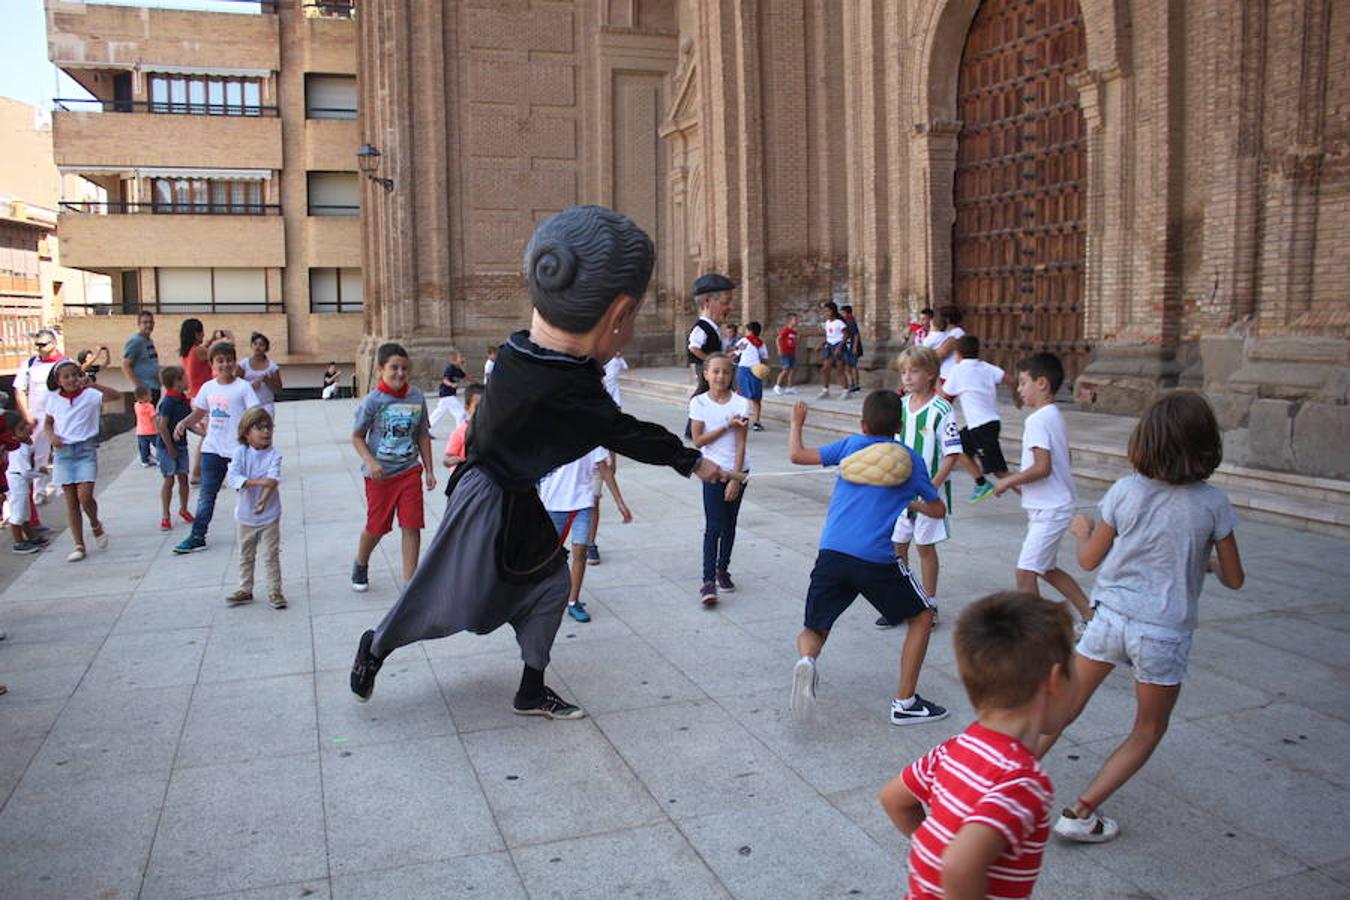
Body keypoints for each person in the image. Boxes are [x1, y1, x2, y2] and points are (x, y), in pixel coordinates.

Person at [349, 205, 726, 722]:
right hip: (485, 498)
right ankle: (374, 647)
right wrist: (693, 462)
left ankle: (531, 689)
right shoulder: (568, 388)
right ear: (619, 316)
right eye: (633, 318)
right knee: (446, 593)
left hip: (515, 494)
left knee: (548, 586)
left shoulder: (521, 349)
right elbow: (627, 432)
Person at [1038, 392, 1244, 844]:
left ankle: (1002, 787)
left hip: (1110, 618)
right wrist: (1203, 560)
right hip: (1164, 633)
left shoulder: (1126, 490)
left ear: (1145, 441)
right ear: (1208, 445)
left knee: (1062, 710)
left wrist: (1084, 531)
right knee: (1148, 728)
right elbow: (1234, 578)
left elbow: (1089, 561)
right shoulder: (1214, 504)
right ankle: (1081, 811)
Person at [880, 591, 1075, 899]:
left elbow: (894, 799)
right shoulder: (1024, 782)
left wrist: (932, 851)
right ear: (1054, 681)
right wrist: (948, 861)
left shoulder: (955, 748)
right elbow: (960, 866)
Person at [787, 393, 948, 724]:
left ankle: (807, 661)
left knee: (815, 626)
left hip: (831, 553)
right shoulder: (910, 461)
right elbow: (937, 508)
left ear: (862, 424)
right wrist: (911, 502)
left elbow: (797, 455)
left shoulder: (850, 446)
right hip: (874, 559)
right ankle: (905, 703)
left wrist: (795, 423)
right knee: (922, 616)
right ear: (900, 427)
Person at [994, 353, 1092, 623]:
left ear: (1042, 384)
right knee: (1046, 569)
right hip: (1050, 505)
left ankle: (1038, 633)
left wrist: (1008, 480)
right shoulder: (1053, 415)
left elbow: (1042, 467)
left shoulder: (1037, 420)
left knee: (1025, 572)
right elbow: (1059, 462)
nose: (1019, 389)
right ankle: (1091, 615)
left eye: (1023, 383)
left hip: (1051, 508)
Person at [879, 346, 961, 630]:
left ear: (931, 374)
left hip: (928, 495)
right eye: (903, 372)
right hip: (900, 492)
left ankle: (930, 603)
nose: (908, 377)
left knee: (925, 547)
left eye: (914, 371)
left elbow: (951, 454)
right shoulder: (899, 407)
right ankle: (902, 601)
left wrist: (932, 488)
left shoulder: (941, 409)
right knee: (897, 546)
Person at [349, 343, 437, 591]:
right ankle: (361, 562)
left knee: (412, 525)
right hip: (380, 476)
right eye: (394, 368)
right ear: (380, 370)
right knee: (377, 527)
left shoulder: (417, 397)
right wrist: (371, 461)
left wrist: (429, 470)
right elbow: (357, 436)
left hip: (409, 471)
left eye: (404, 368)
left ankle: (410, 583)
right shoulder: (373, 401)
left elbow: (422, 435)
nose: (400, 373)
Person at [172, 342, 262, 554]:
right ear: (212, 364)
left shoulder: (243, 387)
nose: (225, 364)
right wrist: (184, 423)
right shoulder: (208, 388)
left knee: (246, 492)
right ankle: (197, 535)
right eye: (220, 360)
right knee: (207, 494)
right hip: (212, 449)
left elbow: (255, 413)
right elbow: (200, 412)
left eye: (229, 359)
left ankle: (254, 529)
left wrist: (258, 440)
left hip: (239, 450)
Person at [539, 448, 632, 623]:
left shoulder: (591, 437)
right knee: (548, 557)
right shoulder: (549, 433)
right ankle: (544, 598)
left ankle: (573, 601)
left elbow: (604, 468)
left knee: (580, 552)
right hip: (553, 504)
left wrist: (619, 501)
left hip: (582, 503)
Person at [44, 360, 121, 562]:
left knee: (85, 497)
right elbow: (48, 423)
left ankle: (95, 523)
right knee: (71, 502)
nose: (71, 380)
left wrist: (93, 384)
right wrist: (51, 436)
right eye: (65, 376)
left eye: (74, 375)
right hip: (63, 452)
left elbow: (116, 395)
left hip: (85, 449)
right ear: (57, 380)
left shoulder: (90, 395)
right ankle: (79, 544)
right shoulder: (52, 399)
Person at [689, 353, 751, 606]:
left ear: (732, 375)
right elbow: (698, 440)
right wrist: (726, 425)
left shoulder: (741, 403)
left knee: (729, 524)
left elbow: (741, 443)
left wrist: (736, 479)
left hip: (737, 471)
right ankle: (707, 581)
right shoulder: (699, 403)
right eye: (715, 371)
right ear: (705, 374)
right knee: (713, 525)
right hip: (712, 472)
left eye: (725, 372)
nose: (720, 376)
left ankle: (722, 569)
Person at [225, 406, 285, 609]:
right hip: (245, 515)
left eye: (269, 427)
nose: (266, 432)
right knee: (246, 554)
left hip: (269, 514)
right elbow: (233, 477)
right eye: (260, 428)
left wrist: (263, 500)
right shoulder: (240, 452)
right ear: (246, 432)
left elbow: (273, 479)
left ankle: (275, 591)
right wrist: (258, 483)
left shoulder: (274, 455)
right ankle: (245, 588)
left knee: (271, 555)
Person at [941, 335, 1009, 503]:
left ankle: (1029, 494)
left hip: (982, 426)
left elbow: (945, 394)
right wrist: (1017, 398)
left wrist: (935, 379)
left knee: (999, 470)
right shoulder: (986, 367)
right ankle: (981, 483)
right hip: (986, 423)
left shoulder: (958, 370)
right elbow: (1008, 378)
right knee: (956, 447)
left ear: (958, 353)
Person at [12, 328, 66, 504]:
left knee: (61, 450)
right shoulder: (29, 365)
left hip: (60, 415)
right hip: (37, 417)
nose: (39, 348)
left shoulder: (64, 363)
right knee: (39, 455)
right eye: (37, 345)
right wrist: (27, 415)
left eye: (42, 344)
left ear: (53, 344)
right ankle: (40, 490)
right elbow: (19, 390)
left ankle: (61, 485)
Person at [155, 366, 197, 532]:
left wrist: (205, 433)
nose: (188, 380)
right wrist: (170, 447)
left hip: (181, 446)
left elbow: (188, 424)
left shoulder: (182, 400)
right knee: (169, 480)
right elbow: (163, 427)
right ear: (176, 382)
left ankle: (184, 509)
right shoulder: (168, 403)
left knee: (183, 478)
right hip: (167, 448)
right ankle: (165, 515)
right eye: (185, 377)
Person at [3, 412, 47, 555]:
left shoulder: (23, 446)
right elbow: (25, 471)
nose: (28, 429)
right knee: (18, 513)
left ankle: (30, 537)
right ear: (12, 435)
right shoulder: (17, 449)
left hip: (22, 483)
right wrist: (40, 473)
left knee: (25, 512)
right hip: (17, 483)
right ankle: (18, 542)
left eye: (25, 425)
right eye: (22, 428)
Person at [686, 272, 734, 387]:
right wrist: (711, 361)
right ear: (707, 301)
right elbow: (693, 348)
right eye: (725, 302)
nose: (731, 307)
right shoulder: (701, 328)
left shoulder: (715, 328)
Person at [179, 319, 212, 484]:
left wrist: (210, 341)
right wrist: (226, 338)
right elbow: (214, 354)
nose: (203, 335)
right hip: (203, 397)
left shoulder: (186, 351)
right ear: (196, 333)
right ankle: (198, 473)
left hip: (194, 396)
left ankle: (199, 472)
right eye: (201, 332)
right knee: (208, 435)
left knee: (207, 435)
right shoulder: (198, 351)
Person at [442, 383, 484, 476]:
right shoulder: (460, 432)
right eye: (477, 407)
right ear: (467, 408)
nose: (482, 411)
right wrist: (457, 460)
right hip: (463, 480)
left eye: (485, 406)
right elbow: (446, 459)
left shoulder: (491, 431)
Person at [733, 321, 768, 431]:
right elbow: (765, 358)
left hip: (743, 370)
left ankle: (742, 419)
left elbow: (735, 353)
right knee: (756, 398)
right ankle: (756, 422)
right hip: (756, 370)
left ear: (750, 331)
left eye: (747, 330)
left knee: (741, 396)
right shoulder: (761, 343)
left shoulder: (744, 341)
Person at [121, 310, 160, 402]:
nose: (148, 325)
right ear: (139, 324)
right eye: (145, 322)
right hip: (146, 389)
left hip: (154, 387)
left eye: (150, 322)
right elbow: (126, 365)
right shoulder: (136, 341)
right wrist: (140, 387)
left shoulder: (148, 340)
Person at [241, 332, 282, 418]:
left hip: (266, 405)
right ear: (251, 346)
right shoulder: (243, 364)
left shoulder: (272, 367)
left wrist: (268, 380)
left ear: (266, 348)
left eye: (261, 344)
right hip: (247, 405)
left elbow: (278, 389)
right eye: (255, 344)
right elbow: (235, 384)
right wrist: (250, 386)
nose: (258, 347)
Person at [922, 305, 966, 384]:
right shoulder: (946, 333)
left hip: (949, 375)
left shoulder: (957, 333)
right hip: (944, 374)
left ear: (947, 319)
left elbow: (941, 353)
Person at [428, 348, 467, 434]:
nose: (463, 359)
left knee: (438, 412)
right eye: (461, 357)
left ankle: (426, 428)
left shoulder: (458, 370)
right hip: (447, 394)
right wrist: (452, 384)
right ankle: (460, 432)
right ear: (454, 360)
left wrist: (478, 383)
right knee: (460, 412)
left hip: (447, 395)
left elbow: (466, 377)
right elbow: (445, 380)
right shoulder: (450, 368)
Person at [817, 301, 847, 399]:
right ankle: (825, 390)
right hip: (829, 346)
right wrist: (822, 343)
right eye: (824, 311)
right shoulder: (827, 323)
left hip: (838, 346)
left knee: (839, 370)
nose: (825, 313)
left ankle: (846, 390)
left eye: (827, 311)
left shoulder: (839, 323)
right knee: (825, 369)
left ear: (832, 311)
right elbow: (829, 336)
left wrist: (839, 347)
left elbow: (846, 335)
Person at [773, 313, 799, 395]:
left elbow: (795, 343)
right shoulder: (785, 330)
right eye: (795, 320)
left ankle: (790, 387)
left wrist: (799, 338)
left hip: (792, 353)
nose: (797, 321)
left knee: (792, 370)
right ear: (790, 321)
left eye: (797, 319)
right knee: (785, 369)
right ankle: (777, 386)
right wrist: (779, 349)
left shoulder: (794, 332)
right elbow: (778, 339)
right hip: (785, 353)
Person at [840, 303, 863, 394]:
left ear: (848, 313)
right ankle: (852, 383)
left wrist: (854, 347)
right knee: (848, 366)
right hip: (848, 346)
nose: (842, 315)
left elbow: (856, 335)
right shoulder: (846, 321)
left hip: (852, 346)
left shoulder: (851, 321)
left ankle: (856, 385)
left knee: (853, 366)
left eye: (843, 313)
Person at [133, 387, 158, 467]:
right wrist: (157, 429)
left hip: (140, 431)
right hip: (151, 430)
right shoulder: (150, 406)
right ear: (144, 397)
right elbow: (153, 419)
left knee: (143, 447)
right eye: (149, 395)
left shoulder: (136, 405)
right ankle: (160, 459)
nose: (151, 396)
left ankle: (145, 461)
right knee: (158, 445)